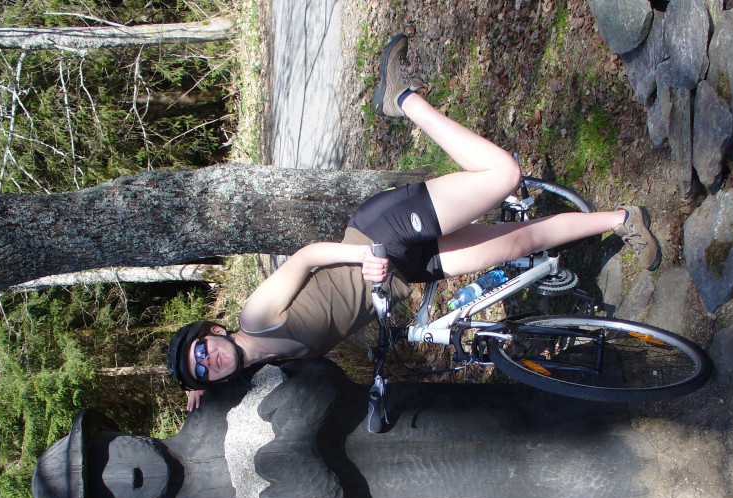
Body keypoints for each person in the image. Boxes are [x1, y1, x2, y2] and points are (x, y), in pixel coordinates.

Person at [167, 34, 660, 410]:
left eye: (202, 351)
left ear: (213, 330)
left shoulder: (255, 317)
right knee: (518, 243)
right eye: (202, 370)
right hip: (404, 273)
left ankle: (401, 98)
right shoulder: (272, 366)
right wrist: (202, 395)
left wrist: (362, 257)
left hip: (380, 236)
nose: (210, 361)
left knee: (504, 174)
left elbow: (306, 257)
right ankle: (624, 219)